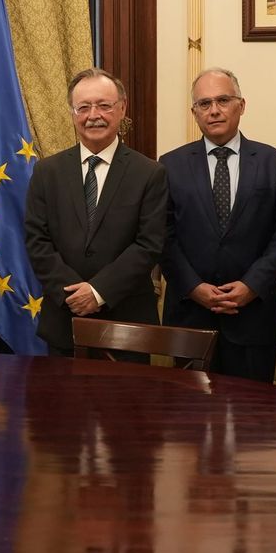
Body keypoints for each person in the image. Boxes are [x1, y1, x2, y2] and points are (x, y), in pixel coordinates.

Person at [158, 68, 276, 381]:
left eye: (223, 100)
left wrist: (252, 286)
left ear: (241, 105)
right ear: (194, 112)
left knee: (252, 410)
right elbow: (163, 236)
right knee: (190, 409)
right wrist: (193, 287)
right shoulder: (169, 165)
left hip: (253, 316)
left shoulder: (273, 162)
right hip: (190, 318)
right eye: (204, 103)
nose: (214, 110)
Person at [25, 68, 168, 356]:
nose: (94, 115)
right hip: (64, 320)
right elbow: (36, 240)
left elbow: (149, 244)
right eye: (83, 107)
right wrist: (73, 293)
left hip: (127, 324)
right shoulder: (46, 171)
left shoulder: (150, 173)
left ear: (122, 108)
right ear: (72, 113)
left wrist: (98, 292)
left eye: (104, 105)